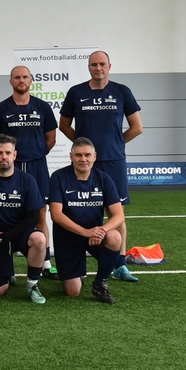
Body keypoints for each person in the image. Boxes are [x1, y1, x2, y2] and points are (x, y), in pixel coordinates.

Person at [59, 50, 142, 283]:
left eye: (102, 64)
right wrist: (84, 148)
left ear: (109, 66)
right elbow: (64, 125)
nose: (98, 68)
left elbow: (137, 127)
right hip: (86, 163)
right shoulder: (76, 92)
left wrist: (115, 144)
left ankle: (121, 264)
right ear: (89, 67)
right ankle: (79, 256)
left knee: (118, 212)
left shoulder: (122, 91)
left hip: (114, 161)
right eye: (94, 64)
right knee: (78, 205)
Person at [0, 65, 57, 276]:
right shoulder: (1, 110)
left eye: (25, 77)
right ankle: (6, 266)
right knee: (7, 214)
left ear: (30, 80)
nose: (21, 80)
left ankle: (45, 262)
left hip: (37, 166)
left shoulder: (42, 107)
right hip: (12, 168)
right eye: (17, 77)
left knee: (41, 215)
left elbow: (51, 139)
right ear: (11, 81)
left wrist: (35, 152)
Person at [0, 135, 48, 305]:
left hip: (19, 233)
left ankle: (32, 285)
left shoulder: (27, 180)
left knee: (39, 239)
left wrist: (9, 235)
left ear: (15, 155)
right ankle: (7, 273)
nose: (3, 156)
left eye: (8, 152)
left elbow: (34, 216)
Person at [48, 138, 125, 304]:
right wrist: (85, 232)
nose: (83, 159)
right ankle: (78, 274)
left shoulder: (104, 179)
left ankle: (100, 284)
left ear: (95, 156)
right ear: (71, 157)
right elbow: (56, 214)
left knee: (115, 237)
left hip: (95, 236)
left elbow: (119, 215)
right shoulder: (59, 177)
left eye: (87, 155)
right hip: (68, 238)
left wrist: (102, 230)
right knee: (73, 292)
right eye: (78, 155)